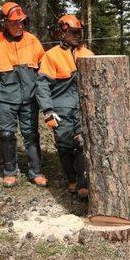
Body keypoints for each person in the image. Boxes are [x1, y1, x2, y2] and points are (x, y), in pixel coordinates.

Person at [0, 2, 48, 188]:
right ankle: (10, 172)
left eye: (22, 22)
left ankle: (36, 172)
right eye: (15, 23)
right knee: (7, 134)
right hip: (4, 99)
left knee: (31, 134)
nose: (20, 26)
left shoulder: (33, 41)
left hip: (29, 98)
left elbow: (44, 70)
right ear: (4, 22)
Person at [36, 15, 94, 199]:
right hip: (61, 109)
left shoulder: (88, 54)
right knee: (65, 145)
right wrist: (48, 110)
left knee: (82, 144)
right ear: (62, 32)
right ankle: (72, 180)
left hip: (83, 108)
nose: (77, 36)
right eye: (73, 32)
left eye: (79, 32)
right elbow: (42, 85)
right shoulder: (51, 56)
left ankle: (83, 183)